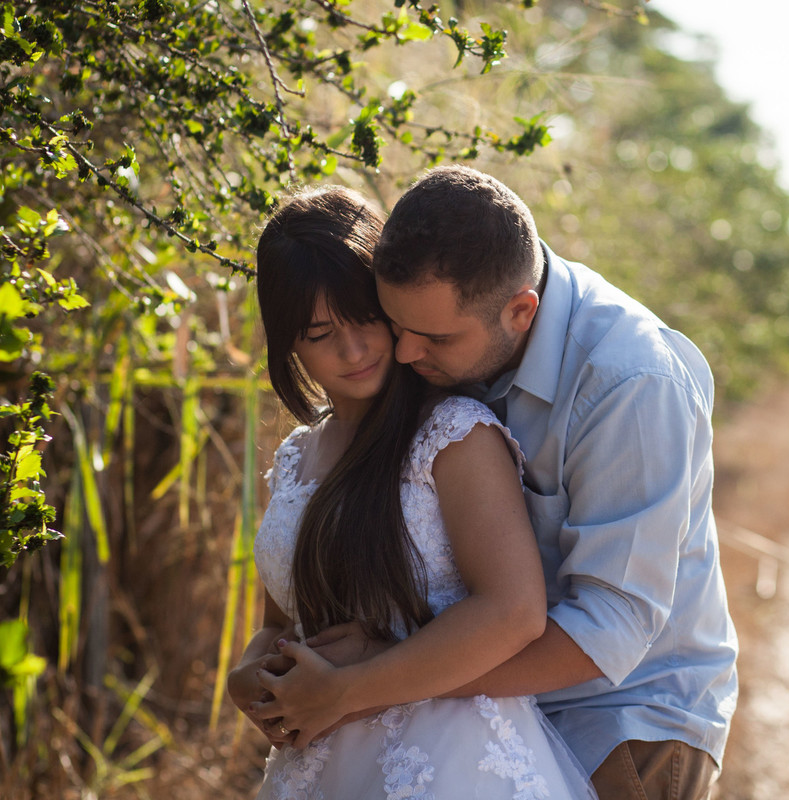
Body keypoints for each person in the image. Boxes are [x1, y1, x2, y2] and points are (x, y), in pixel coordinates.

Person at [271, 165, 739, 799]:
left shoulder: (631, 384)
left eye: (432, 337)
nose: (402, 355)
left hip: (622, 720)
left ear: (522, 312)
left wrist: (372, 679)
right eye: (396, 324)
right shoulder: (454, 332)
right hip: (476, 716)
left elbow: (609, 632)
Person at [226, 185, 597, 800]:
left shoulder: (452, 433)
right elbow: (286, 623)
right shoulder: (297, 455)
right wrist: (250, 674)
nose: (354, 349)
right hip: (320, 764)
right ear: (288, 340)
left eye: (366, 318)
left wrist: (348, 687)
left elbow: (514, 611)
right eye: (320, 333)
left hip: (449, 762)